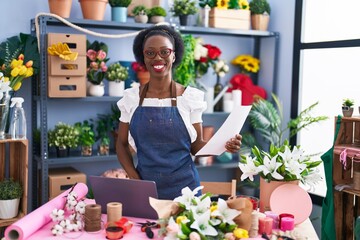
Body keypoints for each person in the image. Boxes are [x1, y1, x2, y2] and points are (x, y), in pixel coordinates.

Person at [116, 24, 242, 200]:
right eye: (150, 53)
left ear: (174, 55)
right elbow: (121, 144)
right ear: (143, 58)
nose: (157, 58)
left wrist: (224, 146)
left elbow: (196, 145)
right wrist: (134, 178)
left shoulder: (190, 98)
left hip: (187, 190)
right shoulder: (131, 99)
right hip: (145, 188)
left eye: (164, 51)